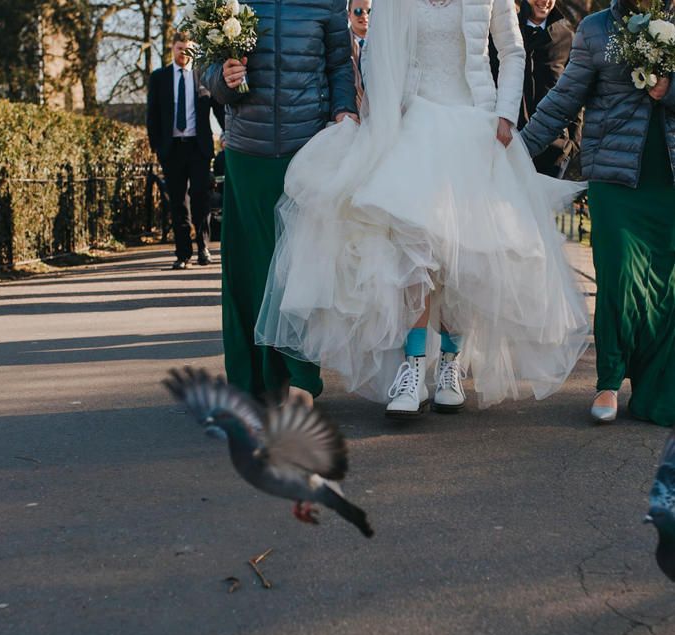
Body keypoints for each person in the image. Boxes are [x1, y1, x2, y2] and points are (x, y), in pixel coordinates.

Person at [255, 0, 589, 418]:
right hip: (415, 127)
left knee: (465, 252)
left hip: (474, 127)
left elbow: (513, 51)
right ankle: (412, 369)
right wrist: (382, 113)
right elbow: (377, 51)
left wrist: (505, 114)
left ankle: (450, 364)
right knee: (417, 252)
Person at [522, 0, 675, 427]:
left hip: (668, 178)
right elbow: (564, 99)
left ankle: (655, 386)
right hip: (614, 175)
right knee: (619, 277)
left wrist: (669, 88)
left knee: (665, 286)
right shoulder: (594, 29)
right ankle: (607, 381)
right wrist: (517, 150)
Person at [202, 0, 357, 406]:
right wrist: (223, 79)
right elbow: (208, 67)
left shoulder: (327, 3)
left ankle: (300, 378)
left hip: (305, 152)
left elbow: (340, 65)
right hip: (246, 153)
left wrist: (344, 110)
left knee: (299, 268)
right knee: (249, 267)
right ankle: (250, 379)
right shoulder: (231, 2)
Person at [147, 33, 225, 269]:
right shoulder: (160, 78)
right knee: (178, 202)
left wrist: (226, 131)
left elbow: (219, 108)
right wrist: (157, 147)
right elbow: (153, 114)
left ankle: (203, 248)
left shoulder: (204, 76)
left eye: (188, 49)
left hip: (198, 147)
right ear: (172, 48)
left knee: (201, 198)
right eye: (180, 48)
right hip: (172, 149)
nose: (183, 53)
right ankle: (182, 253)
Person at [491, 0, 580, 177]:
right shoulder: (505, 31)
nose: (544, 1)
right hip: (507, 141)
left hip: (552, 151)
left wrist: (573, 144)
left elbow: (575, 92)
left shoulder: (567, 37)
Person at [349, 0, 372, 110]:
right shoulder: (339, 43)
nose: (365, 16)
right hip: (351, 110)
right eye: (358, 11)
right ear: (348, 14)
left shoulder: (384, 43)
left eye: (369, 11)